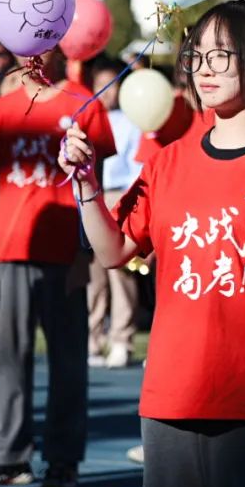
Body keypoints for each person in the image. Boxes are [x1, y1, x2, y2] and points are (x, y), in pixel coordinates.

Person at [60, 0, 245, 487]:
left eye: (222, 56)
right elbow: (114, 251)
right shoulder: (167, 163)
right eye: (196, 56)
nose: (204, 69)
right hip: (170, 393)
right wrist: (84, 184)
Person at [0, 48, 116, 487]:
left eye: (48, 42)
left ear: (63, 50)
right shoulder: (3, 110)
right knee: (8, 360)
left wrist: (85, 255)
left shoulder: (86, 104)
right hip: (12, 250)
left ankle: (64, 459)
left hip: (64, 254)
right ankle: (9, 458)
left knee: (68, 363)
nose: (37, 53)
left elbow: (94, 187)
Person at [87, 59, 143, 369]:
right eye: (101, 85)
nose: (106, 92)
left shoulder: (130, 121)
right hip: (93, 195)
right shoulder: (87, 116)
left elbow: (136, 165)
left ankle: (122, 338)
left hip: (120, 193)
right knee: (93, 274)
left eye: (112, 85)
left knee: (121, 271)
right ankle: (94, 337)